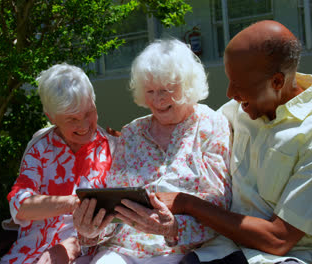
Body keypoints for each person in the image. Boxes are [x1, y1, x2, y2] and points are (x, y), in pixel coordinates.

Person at [158, 20, 312, 264]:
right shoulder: (242, 108)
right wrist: (133, 137)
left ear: (276, 83)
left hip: (276, 258)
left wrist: (188, 204)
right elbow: (192, 131)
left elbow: (279, 240)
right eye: (230, 81)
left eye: (239, 85)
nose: (230, 93)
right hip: (219, 247)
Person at [73, 39, 232, 264]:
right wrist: (91, 229)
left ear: (188, 86)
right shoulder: (131, 133)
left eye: (167, 89)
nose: (158, 99)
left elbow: (219, 204)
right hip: (124, 250)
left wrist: (173, 228)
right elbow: (115, 207)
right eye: (150, 91)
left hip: (182, 252)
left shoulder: (211, 125)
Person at [0, 63, 116, 264]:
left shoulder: (112, 149)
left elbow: (118, 219)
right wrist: (73, 203)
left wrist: (71, 247)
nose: (84, 125)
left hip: (88, 253)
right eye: (72, 119)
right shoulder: (40, 146)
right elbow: (20, 204)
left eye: (88, 112)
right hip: (31, 252)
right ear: (51, 117)